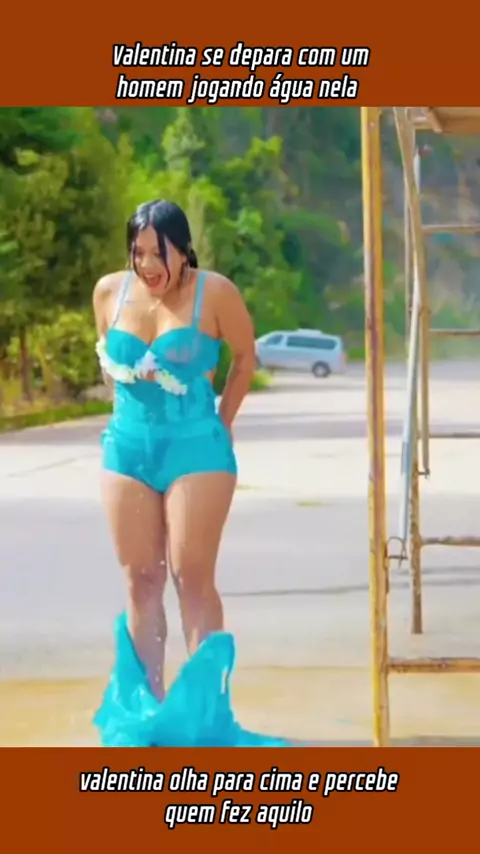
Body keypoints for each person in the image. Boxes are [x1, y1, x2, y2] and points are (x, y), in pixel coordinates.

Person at [92, 199, 255, 705]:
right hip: (126, 448)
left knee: (191, 576)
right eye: (138, 252)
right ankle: (149, 708)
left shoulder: (216, 292)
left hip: (196, 449)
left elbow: (245, 358)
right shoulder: (109, 291)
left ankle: (204, 709)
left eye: (158, 252)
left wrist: (222, 422)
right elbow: (106, 359)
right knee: (140, 581)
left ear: (183, 250)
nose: (147, 264)